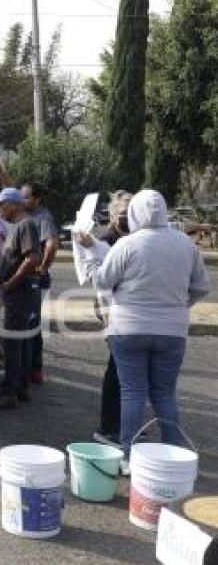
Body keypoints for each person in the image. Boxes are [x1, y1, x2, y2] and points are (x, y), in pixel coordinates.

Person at [75, 190, 211, 472]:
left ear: (135, 213)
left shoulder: (128, 244)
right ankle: (175, 453)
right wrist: (178, 305)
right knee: (164, 392)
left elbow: (103, 281)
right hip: (172, 330)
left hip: (129, 327)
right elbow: (201, 287)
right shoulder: (185, 244)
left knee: (133, 392)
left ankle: (128, 454)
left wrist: (90, 256)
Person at [0, 188, 40, 410]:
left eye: (1, 205)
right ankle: (19, 386)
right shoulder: (17, 226)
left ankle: (10, 394)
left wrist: (10, 283)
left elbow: (33, 258)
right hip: (16, 293)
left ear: (13, 205)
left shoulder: (24, 225)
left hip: (18, 294)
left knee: (12, 344)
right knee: (18, 342)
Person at [91, 191, 133, 448]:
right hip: (113, 311)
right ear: (112, 215)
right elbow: (100, 285)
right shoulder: (106, 240)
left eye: (131, 212)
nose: (127, 217)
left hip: (131, 313)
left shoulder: (136, 238)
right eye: (123, 213)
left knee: (130, 376)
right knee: (118, 372)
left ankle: (126, 425)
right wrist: (107, 318)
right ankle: (110, 426)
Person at [21, 182, 59, 384]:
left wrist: (42, 268)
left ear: (37, 199)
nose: (22, 199)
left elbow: (52, 245)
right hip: (31, 280)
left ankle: (34, 370)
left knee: (32, 326)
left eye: (26, 197)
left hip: (36, 281)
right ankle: (32, 369)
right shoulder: (29, 216)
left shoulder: (43, 218)